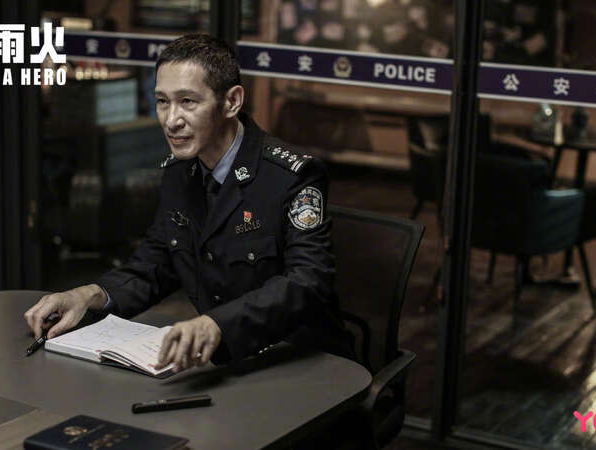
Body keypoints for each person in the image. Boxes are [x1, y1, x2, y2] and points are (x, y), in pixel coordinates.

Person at [24, 34, 354, 371]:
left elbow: (307, 281)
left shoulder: (291, 175)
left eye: (187, 101)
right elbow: (155, 263)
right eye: (162, 101)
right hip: (230, 365)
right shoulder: (180, 172)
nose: (171, 120)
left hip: (305, 363)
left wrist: (217, 325)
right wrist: (90, 294)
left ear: (232, 102)